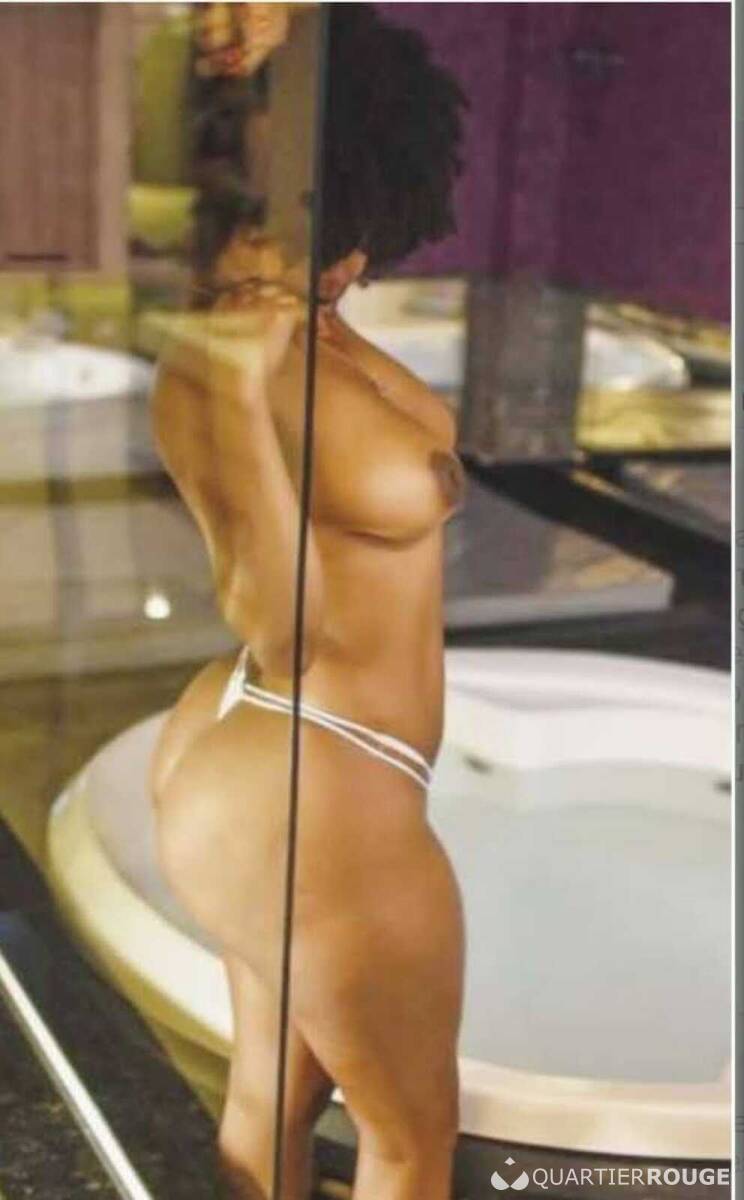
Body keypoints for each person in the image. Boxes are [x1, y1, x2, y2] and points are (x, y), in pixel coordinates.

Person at [150, 7, 468, 1198]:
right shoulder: (218, 364)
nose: (346, 262)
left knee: (278, 1093)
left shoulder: (314, 324)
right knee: (409, 1141)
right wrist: (239, 403)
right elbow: (280, 626)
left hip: (300, 765)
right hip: (311, 770)